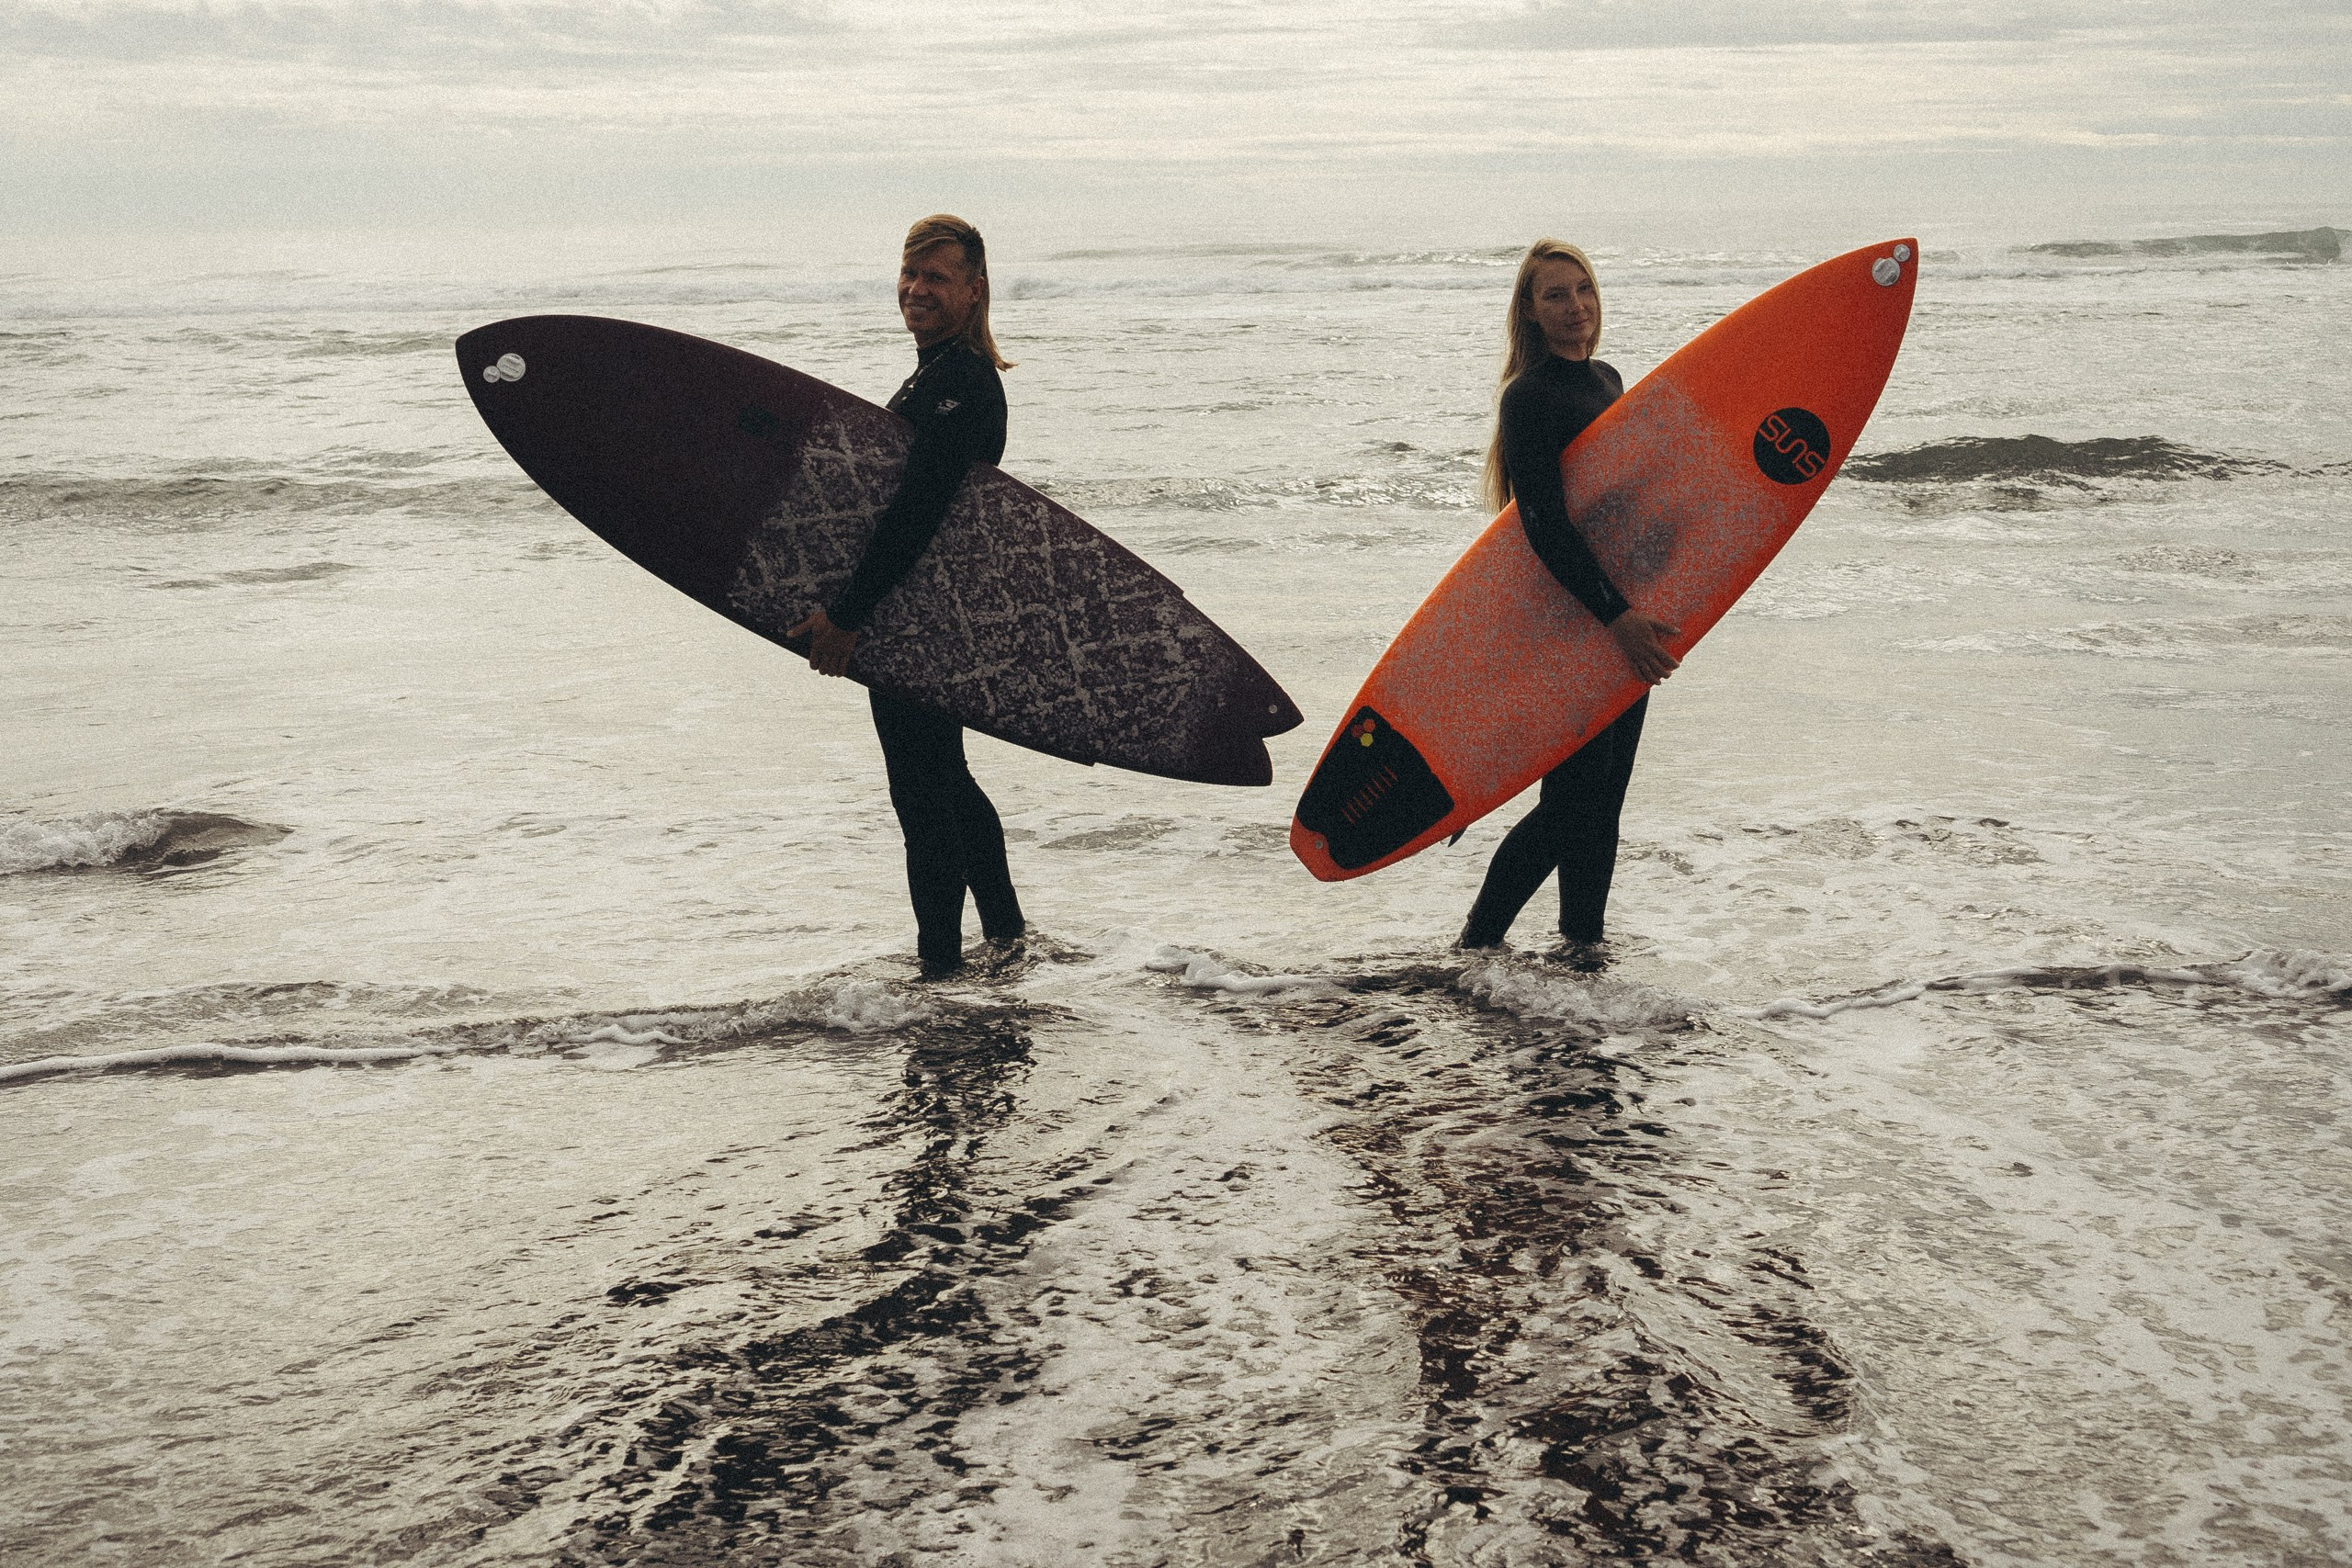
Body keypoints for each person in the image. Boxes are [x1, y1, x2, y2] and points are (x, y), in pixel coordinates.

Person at [787, 215, 1025, 977]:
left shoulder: (961, 381)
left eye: (937, 277)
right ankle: (1006, 937)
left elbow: (917, 510)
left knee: (922, 796)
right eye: (910, 273)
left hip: (915, 618)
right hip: (923, 614)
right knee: (945, 779)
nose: (916, 289)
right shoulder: (937, 374)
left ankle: (940, 973)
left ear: (974, 290)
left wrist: (848, 615)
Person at [1458, 240, 1680, 957]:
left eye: (1582, 289)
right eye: (1554, 295)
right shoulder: (1528, 397)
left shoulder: (1609, 379)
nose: (1574, 307)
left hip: (1621, 613)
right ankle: (1477, 939)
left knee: (1603, 801)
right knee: (1571, 805)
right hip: (1574, 619)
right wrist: (1616, 617)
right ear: (1529, 310)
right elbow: (1544, 523)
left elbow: (1622, 503)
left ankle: (1583, 943)